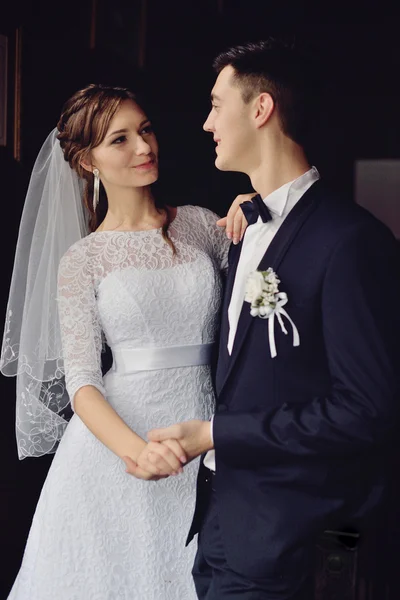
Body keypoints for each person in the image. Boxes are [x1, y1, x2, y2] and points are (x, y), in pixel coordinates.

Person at [147, 40, 400, 599]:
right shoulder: (243, 229)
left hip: (293, 540)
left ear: (261, 109)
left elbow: (368, 411)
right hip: (223, 529)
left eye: (217, 104)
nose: (207, 121)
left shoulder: (350, 241)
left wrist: (216, 435)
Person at [0, 84, 249, 600]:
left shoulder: (202, 225)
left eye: (146, 129)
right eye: (120, 140)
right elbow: (83, 384)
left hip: (204, 433)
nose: (143, 147)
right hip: (118, 449)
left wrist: (257, 209)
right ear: (87, 162)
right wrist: (140, 454)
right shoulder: (84, 260)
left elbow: (261, 300)